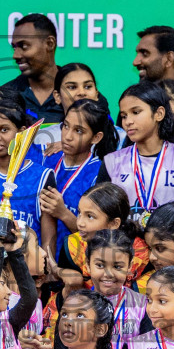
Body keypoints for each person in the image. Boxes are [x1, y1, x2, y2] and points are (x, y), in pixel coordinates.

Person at [103, 81, 174, 223]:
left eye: (136, 112)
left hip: (173, 243)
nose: (128, 121)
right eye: (124, 115)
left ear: (159, 114)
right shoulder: (112, 162)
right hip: (125, 244)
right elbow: (102, 218)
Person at [39, 98, 112, 264]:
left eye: (79, 131)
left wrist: (63, 213)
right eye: (65, 126)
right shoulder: (45, 159)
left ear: (96, 137)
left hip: (76, 266)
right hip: (39, 262)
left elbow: (98, 237)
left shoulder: (99, 174)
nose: (68, 136)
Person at [0, 96, 53, 233]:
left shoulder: (42, 176)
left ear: (21, 132)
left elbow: (49, 237)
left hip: (26, 254)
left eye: (4, 130)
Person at [0, 13, 62, 124]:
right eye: (14, 47)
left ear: (50, 44)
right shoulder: (4, 97)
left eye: (24, 46)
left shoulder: (78, 92)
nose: (15, 55)